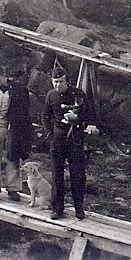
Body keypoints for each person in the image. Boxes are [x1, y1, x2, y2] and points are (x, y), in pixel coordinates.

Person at [42, 67, 96, 220]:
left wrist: (76, 118)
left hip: (75, 138)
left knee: (77, 174)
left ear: (67, 82)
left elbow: (89, 115)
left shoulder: (78, 94)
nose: (58, 85)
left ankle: (79, 208)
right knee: (57, 174)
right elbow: (45, 116)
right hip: (58, 138)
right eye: (55, 82)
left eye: (61, 82)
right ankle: (57, 209)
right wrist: (50, 135)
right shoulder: (51, 96)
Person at [0, 64, 32, 204]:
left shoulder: (15, 88)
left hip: (12, 126)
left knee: (13, 155)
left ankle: (13, 188)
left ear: (4, 75)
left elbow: (23, 108)